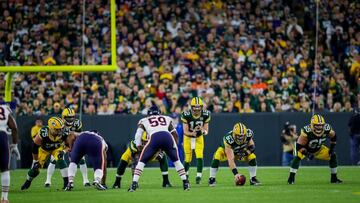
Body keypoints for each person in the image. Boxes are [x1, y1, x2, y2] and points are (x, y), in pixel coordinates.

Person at [128, 106, 189, 192]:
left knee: (141, 161)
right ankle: (185, 183)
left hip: (154, 138)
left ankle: (134, 184)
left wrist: (138, 146)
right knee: (177, 161)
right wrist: (174, 145)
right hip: (167, 137)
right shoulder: (166, 118)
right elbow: (174, 133)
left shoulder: (144, 120)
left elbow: (138, 134)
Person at [287, 114, 342, 184]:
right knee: (297, 157)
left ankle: (334, 178)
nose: (319, 127)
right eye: (317, 125)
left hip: (319, 149)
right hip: (305, 148)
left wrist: (332, 149)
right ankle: (291, 179)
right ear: (312, 125)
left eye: (321, 125)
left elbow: (334, 137)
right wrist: (307, 154)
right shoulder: (307, 131)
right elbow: (299, 146)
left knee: (333, 155)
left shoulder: (327, 128)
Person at [21, 117, 70, 190]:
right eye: (57, 129)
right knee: (35, 169)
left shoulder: (64, 132)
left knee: (60, 159)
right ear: (51, 128)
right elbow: (35, 147)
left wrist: (63, 151)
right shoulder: (44, 132)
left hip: (57, 148)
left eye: (61, 128)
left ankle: (66, 184)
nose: (60, 131)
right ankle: (28, 181)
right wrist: (35, 160)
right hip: (44, 150)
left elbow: (68, 146)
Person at [45, 108, 90, 187]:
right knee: (53, 159)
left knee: (82, 159)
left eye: (72, 117)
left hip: (73, 142)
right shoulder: (59, 123)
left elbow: (80, 135)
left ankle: (86, 180)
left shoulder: (77, 123)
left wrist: (74, 144)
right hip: (60, 142)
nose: (71, 119)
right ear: (63, 117)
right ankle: (48, 181)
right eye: (68, 117)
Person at [181, 97, 211, 184]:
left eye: (199, 107)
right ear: (191, 107)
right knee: (187, 158)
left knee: (199, 156)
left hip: (199, 137)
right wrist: (192, 133)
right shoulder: (186, 115)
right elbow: (185, 131)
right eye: (195, 107)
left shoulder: (206, 114)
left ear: (201, 107)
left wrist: (201, 131)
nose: (197, 109)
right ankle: (185, 175)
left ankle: (198, 176)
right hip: (188, 137)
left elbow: (206, 131)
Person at [0, 105, 20, 203]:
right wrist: (15, 144)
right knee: (5, 169)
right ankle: (4, 198)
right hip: (2, 137)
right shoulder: (4, 108)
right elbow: (14, 127)